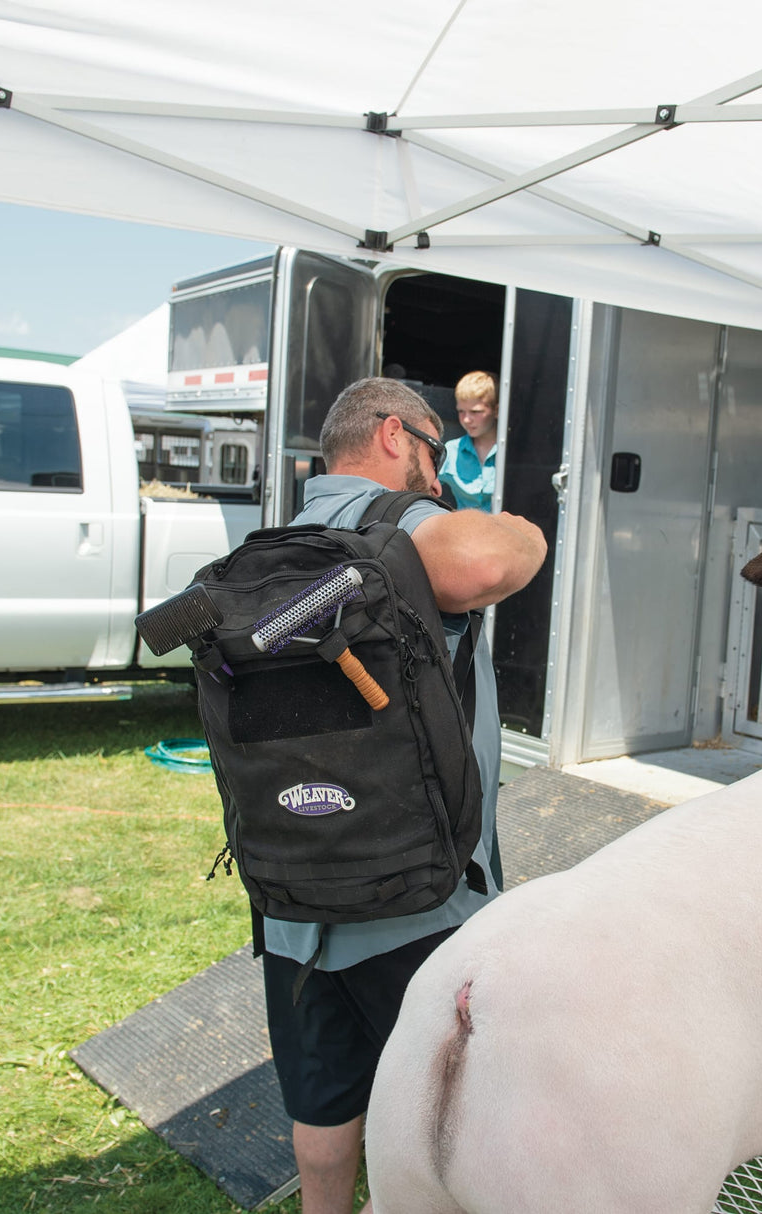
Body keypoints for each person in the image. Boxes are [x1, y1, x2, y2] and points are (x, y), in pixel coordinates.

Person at [258, 376, 547, 1214]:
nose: (437, 468)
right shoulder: (402, 526)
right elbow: (494, 559)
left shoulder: (277, 542)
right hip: (415, 904)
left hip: (292, 903)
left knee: (325, 1101)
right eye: (431, 447)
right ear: (393, 435)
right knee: (453, 1128)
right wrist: (519, 523)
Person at [438, 370, 499, 511]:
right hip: (465, 531)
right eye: (461, 411)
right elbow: (422, 487)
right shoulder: (452, 451)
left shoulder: (512, 454)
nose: (466, 419)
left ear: (496, 410)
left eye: (475, 412)